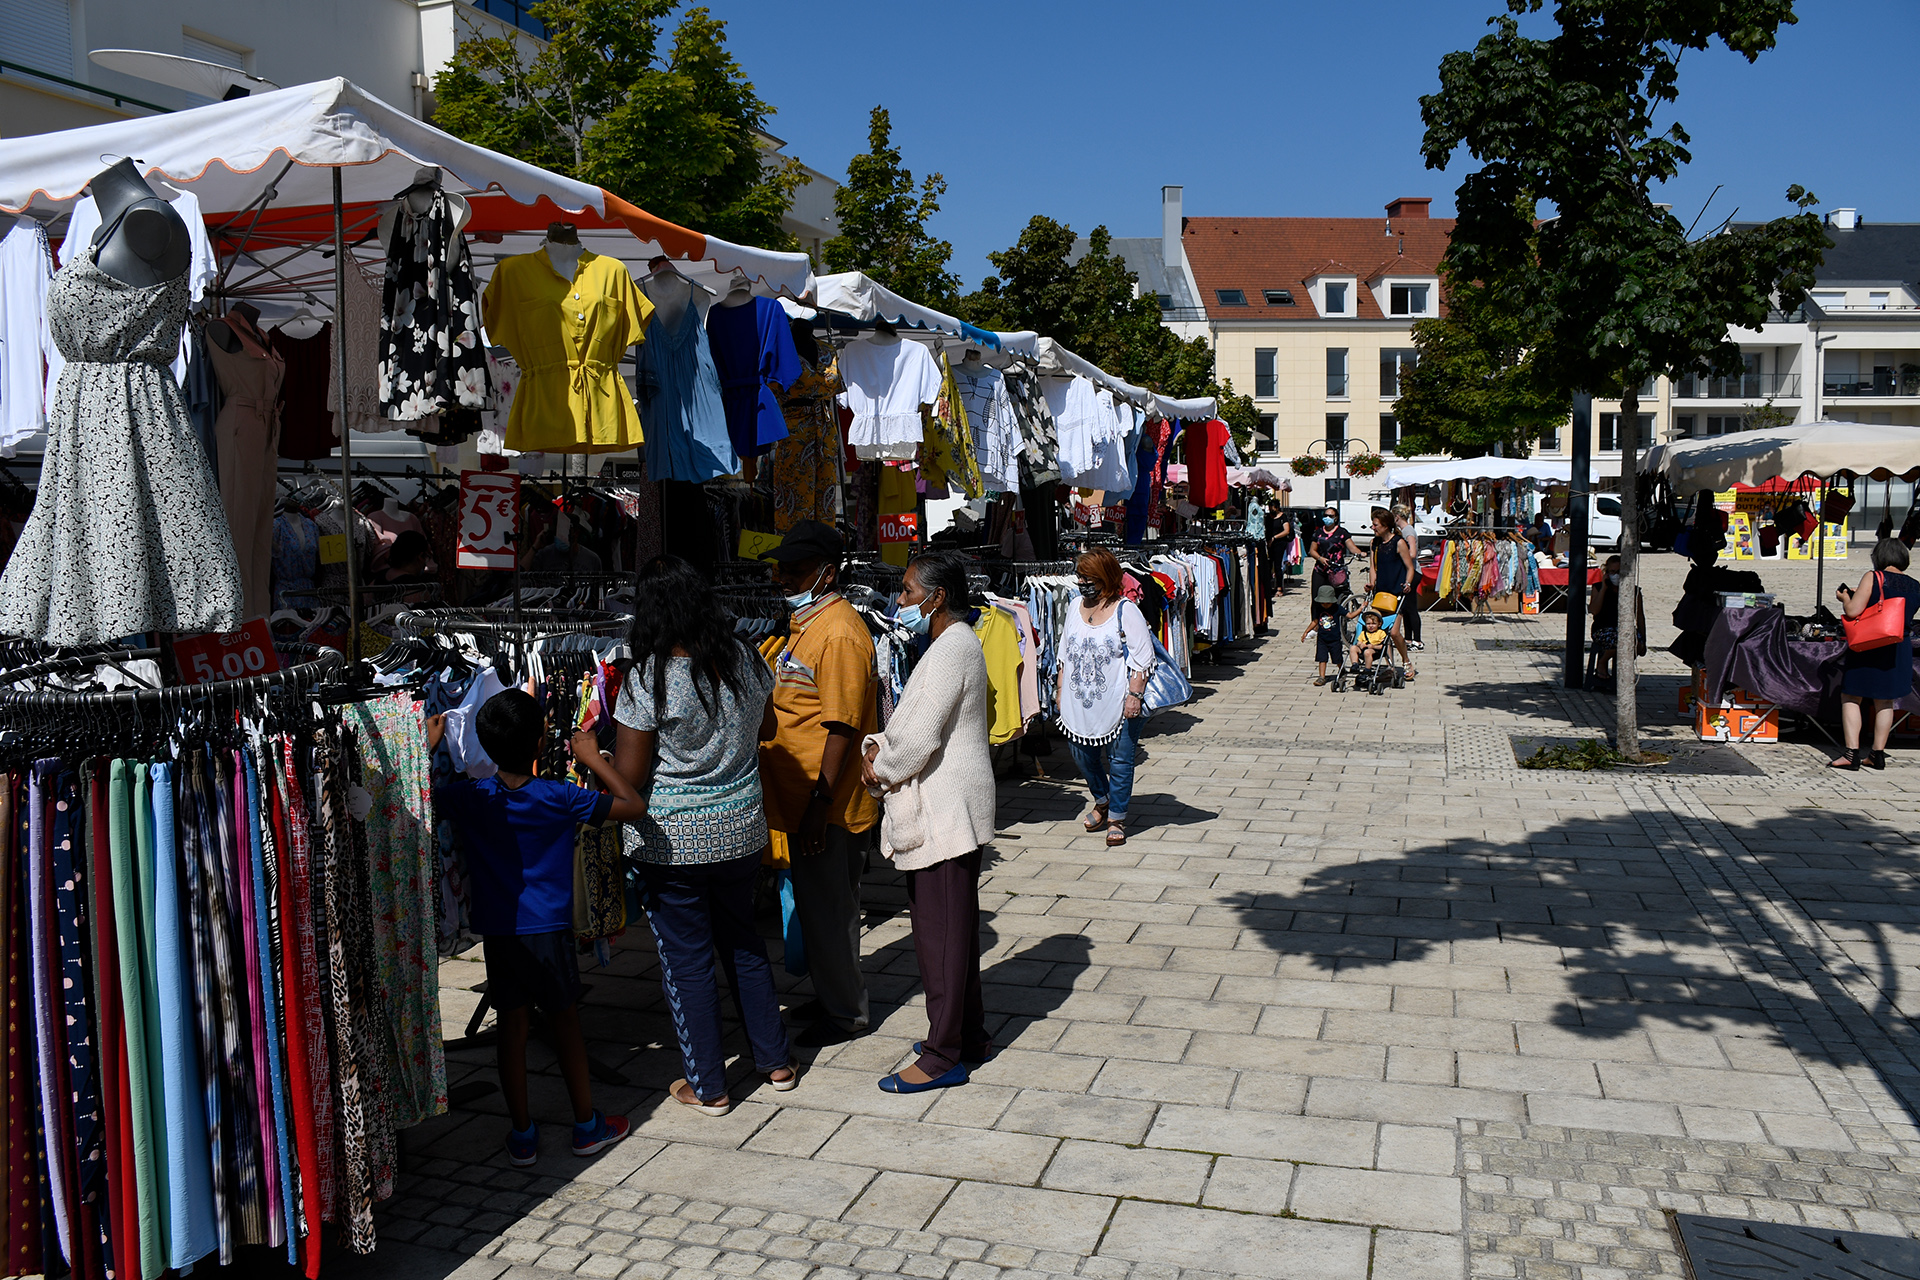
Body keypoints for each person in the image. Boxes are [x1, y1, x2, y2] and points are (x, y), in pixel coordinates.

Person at [613, 555, 796, 1113]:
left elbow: (631, 778)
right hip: (741, 829)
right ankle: (776, 1062)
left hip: (673, 843)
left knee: (687, 960)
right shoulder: (742, 657)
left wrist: (588, 757)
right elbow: (766, 728)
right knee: (742, 941)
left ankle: (709, 1086)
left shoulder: (648, 678)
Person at [428, 690, 641, 1166]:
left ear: (482, 744)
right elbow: (632, 804)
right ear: (541, 740)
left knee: (513, 1027)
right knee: (564, 1022)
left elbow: (417, 800)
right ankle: (587, 1126)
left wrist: (428, 746)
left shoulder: (471, 796)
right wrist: (590, 757)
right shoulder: (560, 796)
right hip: (549, 932)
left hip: (501, 933)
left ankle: (522, 1133)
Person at [858, 552, 997, 1093]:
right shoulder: (954, 644)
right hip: (952, 805)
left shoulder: (949, 650)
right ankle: (969, 1035)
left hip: (944, 811)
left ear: (937, 598)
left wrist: (878, 766)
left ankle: (943, 1055)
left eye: (910, 592)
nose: (900, 600)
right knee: (955, 934)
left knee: (939, 938)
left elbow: (917, 738)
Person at [760, 520, 880, 1046]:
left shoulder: (840, 633)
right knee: (817, 909)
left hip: (826, 806)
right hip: (801, 800)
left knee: (831, 913)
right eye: (780, 567)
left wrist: (818, 802)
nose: (783, 577)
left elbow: (842, 726)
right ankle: (834, 995)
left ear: (826, 574)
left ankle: (846, 1015)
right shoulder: (805, 626)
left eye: (796, 569)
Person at [1056, 548, 1156, 847]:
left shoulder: (1126, 610)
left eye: (1089, 577)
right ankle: (1102, 799)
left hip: (1119, 697)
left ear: (1107, 578)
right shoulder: (1075, 606)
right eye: (1080, 576)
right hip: (1079, 699)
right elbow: (1065, 653)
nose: (1083, 582)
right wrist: (1060, 691)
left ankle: (1116, 817)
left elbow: (1142, 657)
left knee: (1121, 760)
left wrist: (1135, 696)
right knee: (1080, 754)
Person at [1830, 538, 1920, 770]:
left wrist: (1845, 598)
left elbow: (1853, 611)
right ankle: (1877, 754)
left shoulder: (1874, 577)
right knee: (1885, 701)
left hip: (1871, 643)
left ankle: (1851, 754)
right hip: (1899, 645)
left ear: (1879, 557)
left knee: (1851, 697)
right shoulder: (1914, 585)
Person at [1366, 507, 1416, 679]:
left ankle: (1406, 661)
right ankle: (1389, 666)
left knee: (1394, 632)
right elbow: (1373, 567)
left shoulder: (1399, 543)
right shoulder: (1375, 543)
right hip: (1380, 593)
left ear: (1386, 526)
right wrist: (1371, 584)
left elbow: (1410, 568)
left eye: (1375, 525)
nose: (1373, 528)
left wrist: (1408, 583)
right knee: (1381, 631)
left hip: (1397, 593)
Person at [1588, 555, 1643, 684]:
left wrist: (1643, 638)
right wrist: (1604, 588)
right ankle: (1602, 662)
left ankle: (1623, 672)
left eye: (1619, 572)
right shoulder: (1598, 588)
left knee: (1636, 645)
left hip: (1625, 628)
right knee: (1620, 642)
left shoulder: (1634, 591)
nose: (1616, 575)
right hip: (1603, 628)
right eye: (1612, 572)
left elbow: (1640, 615)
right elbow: (1594, 610)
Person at [1308, 504, 1361, 601]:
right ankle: (1316, 616)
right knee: (1317, 598)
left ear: (1336, 518)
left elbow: (1352, 547)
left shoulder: (1342, 532)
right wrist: (1320, 558)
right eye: (1325, 515)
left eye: (1331, 516)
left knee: (1336, 599)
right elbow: (1312, 550)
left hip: (1337, 571)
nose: (1327, 518)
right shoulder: (1318, 532)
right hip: (1320, 570)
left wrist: (1361, 553)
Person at [1391, 504, 1425, 651]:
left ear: (1397, 517)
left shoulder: (1408, 531)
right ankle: (1409, 638)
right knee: (1405, 608)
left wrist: (1400, 554)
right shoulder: (1404, 531)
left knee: (1411, 607)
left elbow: (1412, 553)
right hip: (1407, 572)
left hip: (1413, 572)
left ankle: (1417, 640)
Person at [1302, 584, 1343, 686]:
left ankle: (1342, 670)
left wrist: (1360, 610)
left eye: (1327, 603)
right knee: (1322, 658)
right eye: (1323, 602)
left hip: (1335, 639)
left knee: (1337, 658)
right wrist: (1306, 631)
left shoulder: (1337, 608)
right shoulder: (1319, 609)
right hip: (1322, 639)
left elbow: (1349, 615)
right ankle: (1322, 677)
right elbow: (1315, 621)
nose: (1325, 605)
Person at [1268, 503, 1295, 598]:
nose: (1270, 509)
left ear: (1277, 507)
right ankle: (1270, 587)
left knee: (1277, 565)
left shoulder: (1283, 517)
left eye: (1272, 507)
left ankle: (1279, 587)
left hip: (1279, 543)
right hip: (1269, 544)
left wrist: (1274, 538)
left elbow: (1286, 531)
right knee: (1268, 565)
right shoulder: (1268, 517)